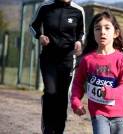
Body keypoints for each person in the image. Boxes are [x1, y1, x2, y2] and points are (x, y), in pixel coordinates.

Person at [70, 10, 123, 134]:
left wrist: (111, 92)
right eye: (98, 28)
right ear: (93, 33)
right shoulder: (87, 60)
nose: (102, 32)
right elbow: (77, 83)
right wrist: (75, 102)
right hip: (98, 113)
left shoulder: (121, 59)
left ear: (116, 33)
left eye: (107, 28)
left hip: (119, 113)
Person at [29, 0, 85, 133]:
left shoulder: (78, 11)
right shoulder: (45, 6)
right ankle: (48, 127)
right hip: (49, 59)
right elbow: (32, 26)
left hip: (67, 59)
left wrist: (79, 41)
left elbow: (82, 32)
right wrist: (40, 36)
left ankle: (59, 129)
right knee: (50, 92)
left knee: (62, 96)